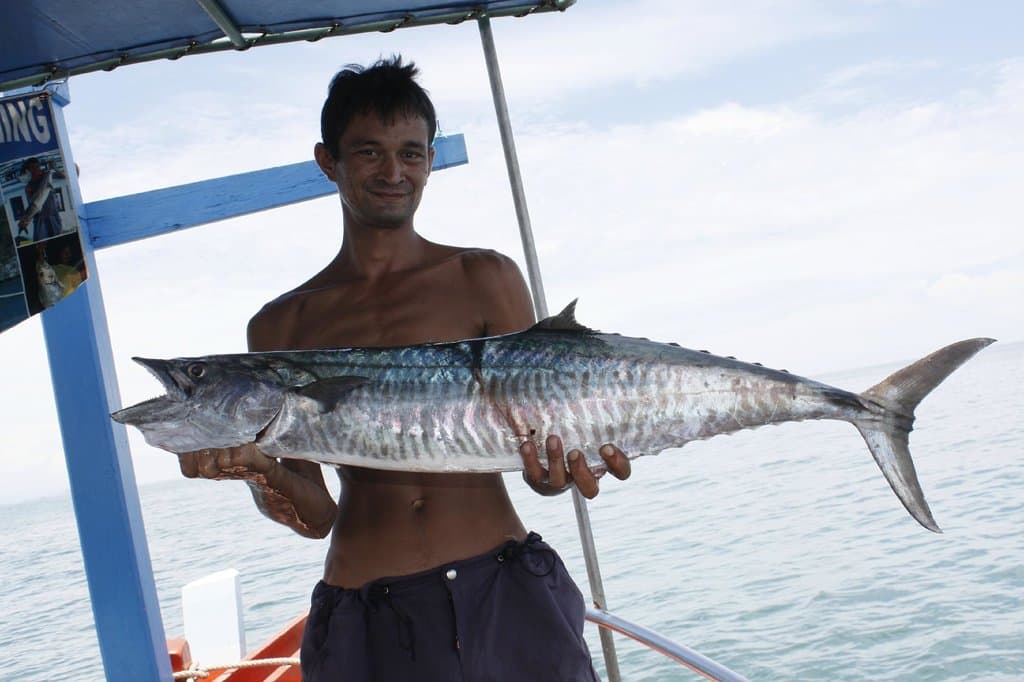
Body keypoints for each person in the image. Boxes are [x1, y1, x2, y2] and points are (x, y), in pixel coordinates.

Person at [178, 56, 631, 681]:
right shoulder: (282, 325)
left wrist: (556, 474)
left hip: (503, 591)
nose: (393, 173)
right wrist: (257, 469)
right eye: (369, 152)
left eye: (411, 154)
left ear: (429, 161)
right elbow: (317, 518)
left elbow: (534, 449)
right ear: (328, 161)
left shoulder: (484, 277)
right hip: (367, 615)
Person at [17, 158, 65, 242]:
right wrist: (26, 219)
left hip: (53, 215)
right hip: (40, 219)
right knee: (41, 243)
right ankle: (23, 225)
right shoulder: (28, 187)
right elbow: (32, 205)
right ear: (28, 170)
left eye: (37, 166)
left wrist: (54, 168)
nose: (36, 169)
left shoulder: (46, 175)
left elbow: (64, 176)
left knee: (59, 241)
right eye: (33, 167)